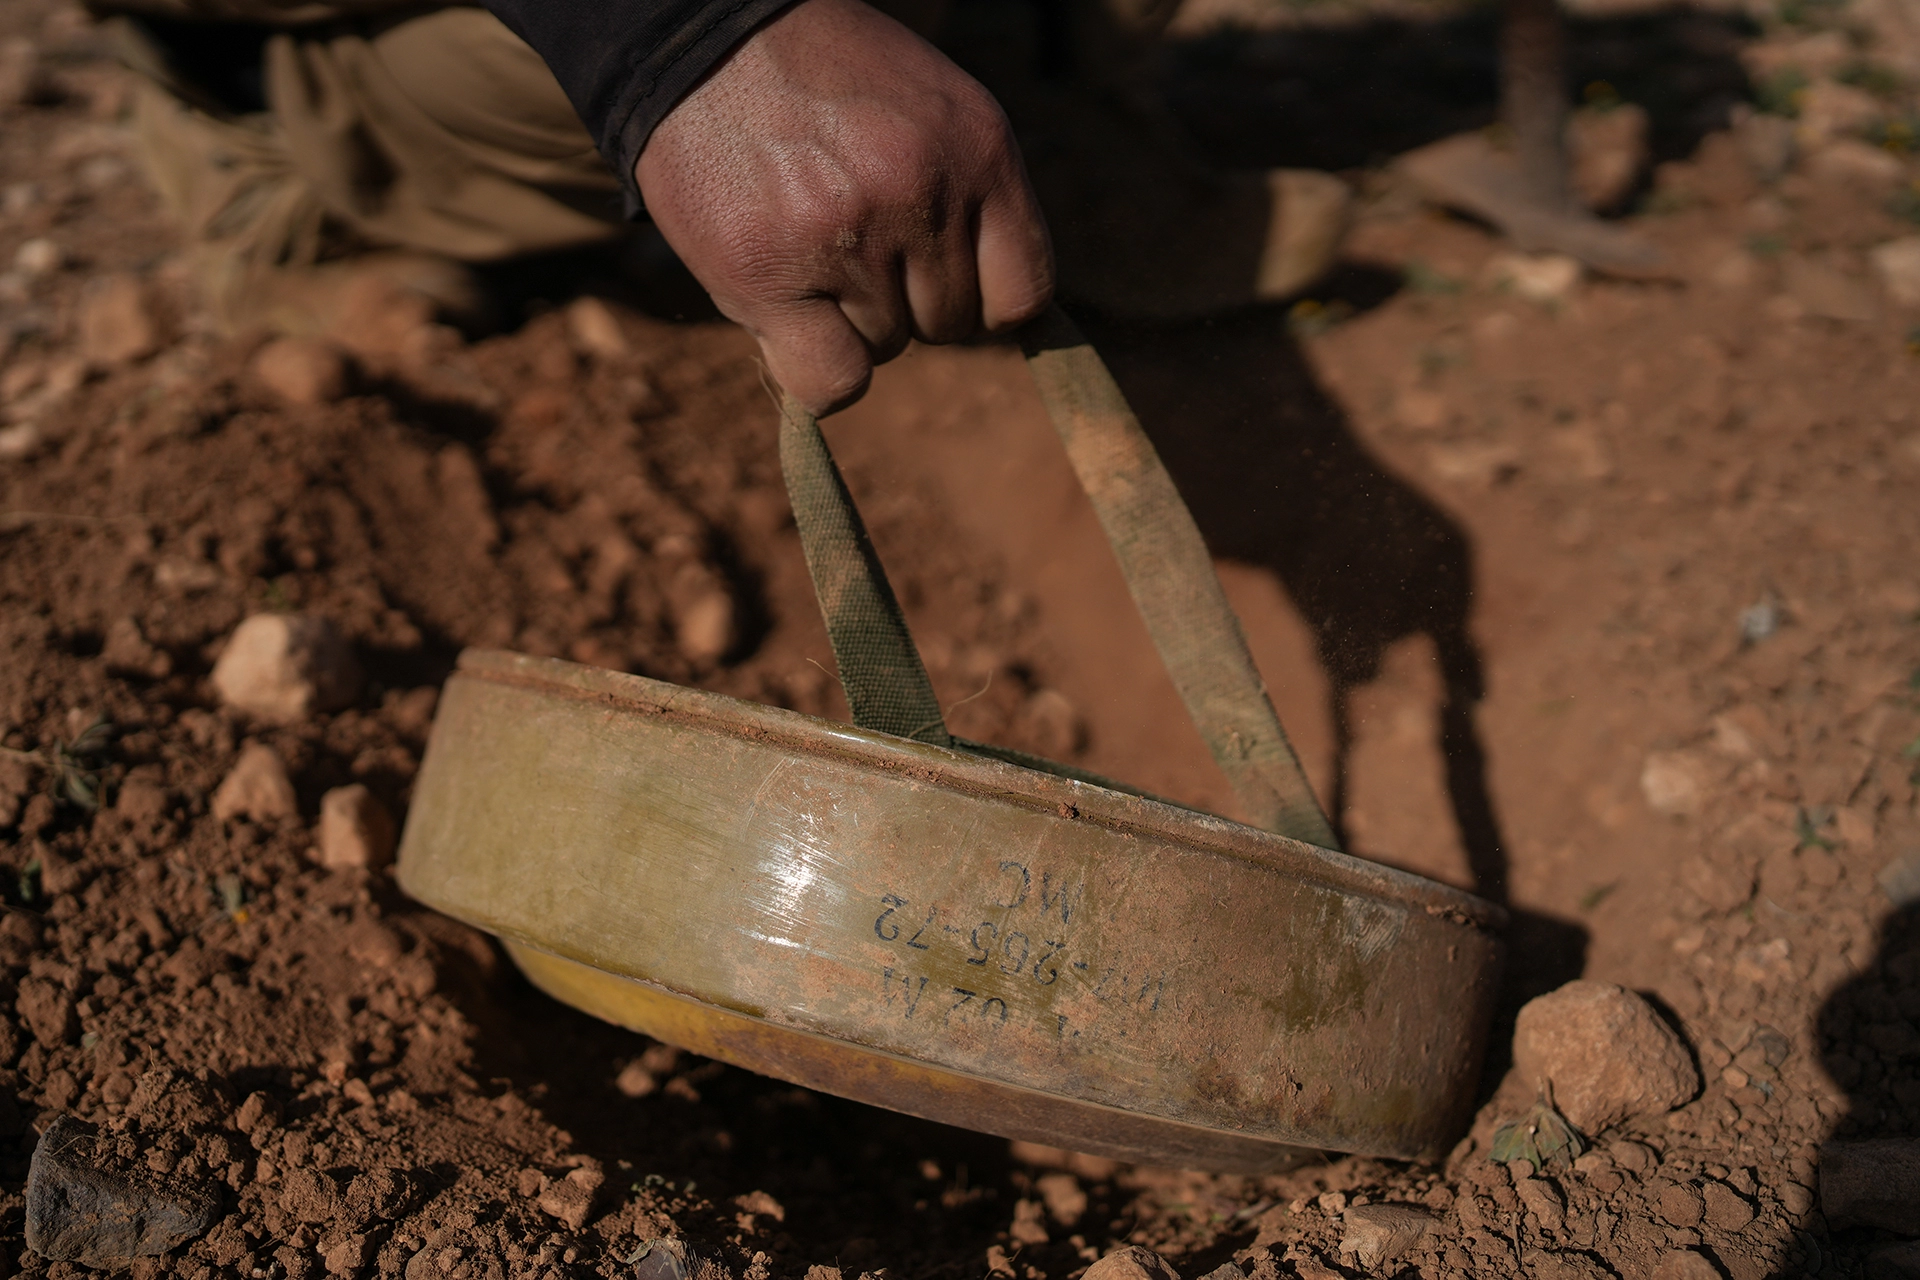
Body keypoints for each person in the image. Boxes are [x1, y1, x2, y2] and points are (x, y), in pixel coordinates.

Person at [98, 0, 1351, 412]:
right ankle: (302, 200)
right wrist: (674, 35)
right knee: (540, 70)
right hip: (348, 43)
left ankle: (1022, 100)